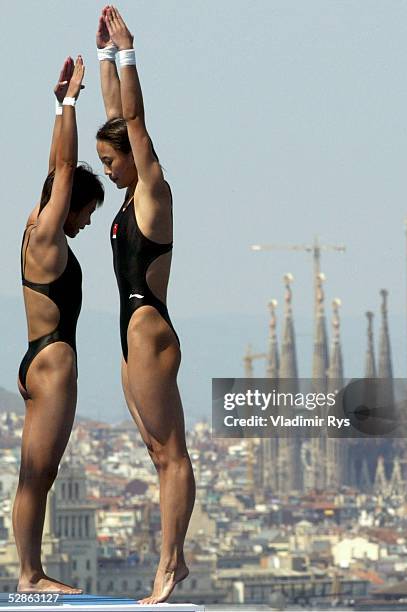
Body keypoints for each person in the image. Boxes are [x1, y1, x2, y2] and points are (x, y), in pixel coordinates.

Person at [95, 6, 195, 605]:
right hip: (133, 333)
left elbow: (131, 118)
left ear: (136, 157)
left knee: (172, 454)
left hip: (151, 329)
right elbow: (116, 118)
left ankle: (170, 564)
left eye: (111, 163)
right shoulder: (131, 190)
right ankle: (169, 563)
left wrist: (129, 53)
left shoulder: (153, 189)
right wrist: (104, 58)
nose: (107, 172)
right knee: (157, 453)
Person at [13, 56, 104, 593]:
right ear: (68, 207)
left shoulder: (36, 225)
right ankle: (30, 575)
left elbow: (53, 174)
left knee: (35, 476)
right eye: (86, 212)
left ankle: (31, 571)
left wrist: (57, 109)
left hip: (38, 360)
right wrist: (71, 103)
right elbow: (65, 173)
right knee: (37, 478)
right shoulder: (48, 239)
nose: (87, 221)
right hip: (50, 365)